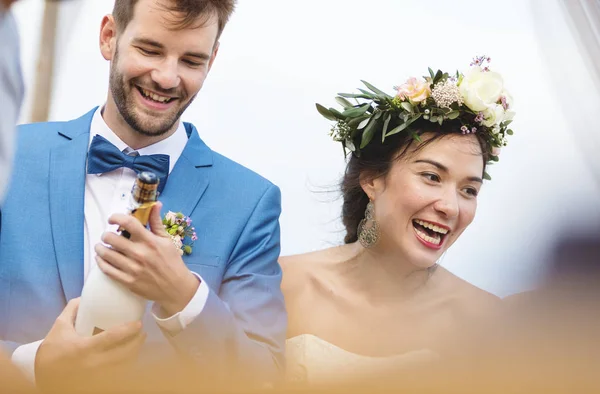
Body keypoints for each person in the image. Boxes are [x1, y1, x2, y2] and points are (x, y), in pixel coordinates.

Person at [0, 0, 286, 390]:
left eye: (191, 60)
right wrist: (30, 365)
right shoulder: (11, 155)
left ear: (212, 60)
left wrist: (183, 296)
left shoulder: (252, 204)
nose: (167, 77)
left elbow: (266, 379)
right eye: (150, 50)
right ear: (109, 37)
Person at [280, 57, 513, 385]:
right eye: (431, 176)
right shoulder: (281, 285)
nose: (450, 207)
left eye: (469, 190)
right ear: (373, 179)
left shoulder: (487, 321)